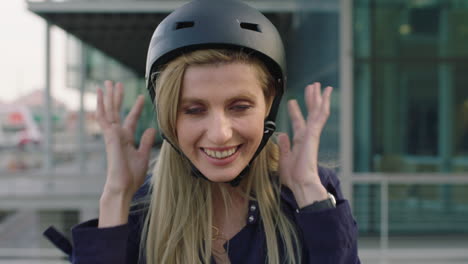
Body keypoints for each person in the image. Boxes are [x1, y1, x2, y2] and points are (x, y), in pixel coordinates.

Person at [44, 0, 360, 263]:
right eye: (193, 110)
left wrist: (309, 193)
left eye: (239, 107)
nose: (220, 134)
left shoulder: (312, 194)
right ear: (169, 118)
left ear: (269, 104)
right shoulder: (142, 208)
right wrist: (116, 196)